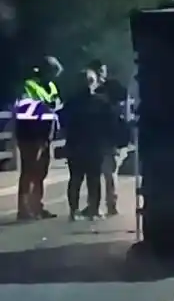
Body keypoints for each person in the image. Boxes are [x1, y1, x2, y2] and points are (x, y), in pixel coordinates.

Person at [63, 69, 117, 220]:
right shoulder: (102, 102)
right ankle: (93, 210)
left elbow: (64, 122)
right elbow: (110, 124)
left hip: (76, 145)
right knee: (93, 179)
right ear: (93, 83)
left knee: (75, 179)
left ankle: (74, 211)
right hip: (95, 146)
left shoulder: (71, 102)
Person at [13, 57, 62, 220]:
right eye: (53, 72)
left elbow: (56, 105)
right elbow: (23, 107)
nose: (55, 76)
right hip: (30, 135)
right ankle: (24, 209)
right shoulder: (29, 85)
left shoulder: (51, 86)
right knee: (28, 171)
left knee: (41, 172)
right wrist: (46, 108)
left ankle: (37, 206)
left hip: (46, 135)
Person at [85, 60, 129, 216]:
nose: (102, 74)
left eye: (102, 71)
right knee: (95, 174)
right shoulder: (88, 91)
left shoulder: (110, 87)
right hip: (96, 138)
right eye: (99, 71)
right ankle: (94, 205)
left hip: (109, 137)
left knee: (109, 173)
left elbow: (121, 98)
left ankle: (111, 205)